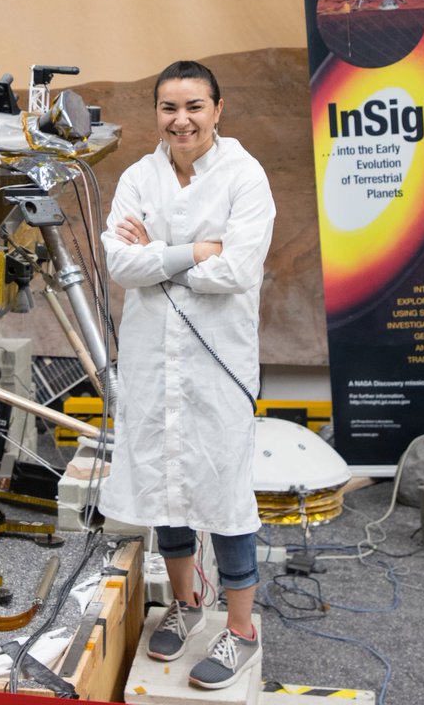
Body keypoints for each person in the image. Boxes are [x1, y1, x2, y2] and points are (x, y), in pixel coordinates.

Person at [99, 60, 275, 690]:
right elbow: (121, 261)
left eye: (195, 106)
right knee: (165, 487)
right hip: (153, 360)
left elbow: (238, 270)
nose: (182, 120)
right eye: (170, 108)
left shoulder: (244, 177)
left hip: (217, 362)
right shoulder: (138, 177)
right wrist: (197, 249)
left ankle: (241, 632)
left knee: (225, 495)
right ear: (157, 114)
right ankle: (185, 602)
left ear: (218, 109)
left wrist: (161, 257)